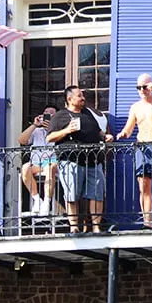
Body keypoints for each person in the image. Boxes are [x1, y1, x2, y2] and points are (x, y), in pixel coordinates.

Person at [116, 73, 152, 228]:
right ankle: (147, 222)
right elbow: (129, 128)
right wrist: (122, 134)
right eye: (138, 87)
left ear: (151, 86)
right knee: (144, 186)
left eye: (144, 86)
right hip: (142, 147)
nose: (141, 90)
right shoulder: (135, 107)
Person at [48, 86, 108, 233]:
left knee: (96, 194)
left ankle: (96, 227)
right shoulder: (60, 116)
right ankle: (74, 226)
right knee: (72, 194)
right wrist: (67, 130)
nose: (83, 98)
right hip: (71, 160)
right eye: (79, 96)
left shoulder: (88, 113)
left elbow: (98, 131)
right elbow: (49, 137)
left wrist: (105, 136)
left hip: (93, 160)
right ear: (70, 99)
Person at [19, 104, 59, 216]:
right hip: (36, 163)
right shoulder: (36, 131)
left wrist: (50, 129)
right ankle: (37, 199)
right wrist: (34, 125)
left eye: (51, 113)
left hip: (52, 163)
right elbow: (22, 140)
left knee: (49, 167)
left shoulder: (58, 130)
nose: (48, 115)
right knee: (25, 167)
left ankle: (47, 202)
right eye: (46, 112)